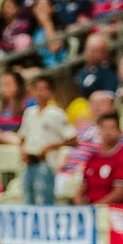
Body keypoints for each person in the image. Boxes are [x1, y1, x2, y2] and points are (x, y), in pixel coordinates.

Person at [18, 75, 74, 206]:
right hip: (29, 162)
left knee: (44, 200)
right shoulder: (29, 113)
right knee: (27, 199)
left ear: (50, 92)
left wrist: (50, 147)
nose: (40, 92)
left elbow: (72, 139)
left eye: (44, 89)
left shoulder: (57, 113)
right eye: (37, 89)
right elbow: (23, 136)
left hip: (46, 162)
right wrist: (22, 150)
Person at [74, 113, 123, 206]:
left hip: (112, 212)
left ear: (119, 131)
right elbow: (82, 187)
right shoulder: (93, 158)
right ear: (99, 131)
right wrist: (80, 204)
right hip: (91, 210)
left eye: (112, 128)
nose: (108, 132)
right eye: (104, 128)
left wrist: (96, 208)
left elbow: (119, 194)